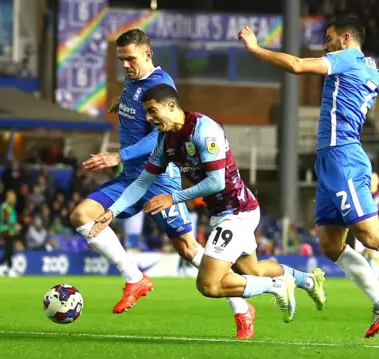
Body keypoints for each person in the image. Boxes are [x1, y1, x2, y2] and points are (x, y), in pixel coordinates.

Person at [69, 28, 300, 339]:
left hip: (159, 178)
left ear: (148, 55)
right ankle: (133, 277)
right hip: (131, 178)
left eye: (130, 58)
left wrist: (117, 155)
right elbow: (136, 103)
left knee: (188, 248)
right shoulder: (133, 80)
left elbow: (157, 137)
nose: (124, 64)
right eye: (121, 59)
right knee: (82, 216)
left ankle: (242, 307)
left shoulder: (160, 86)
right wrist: (120, 102)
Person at [239, 15, 379, 338]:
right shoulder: (372, 72)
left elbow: (298, 66)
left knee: (371, 236)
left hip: (343, 156)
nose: (324, 44)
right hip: (330, 161)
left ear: (345, 40)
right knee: (330, 244)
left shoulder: (346, 60)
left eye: (328, 38)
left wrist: (257, 49)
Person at [90, 83, 328, 325]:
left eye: (152, 111)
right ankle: (308, 281)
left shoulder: (204, 130)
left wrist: (172, 197)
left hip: (236, 212)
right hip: (226, 212)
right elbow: (142, 182)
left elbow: (216, 182)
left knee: (209, 284)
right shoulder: (165, 141)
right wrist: (113, 211)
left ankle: (278, 285)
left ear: (171, 105)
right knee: (252, 271)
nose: (149, 119)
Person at [0, 190, 21, 277]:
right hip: (6, 230)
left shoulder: (10, 207)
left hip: (10, 231)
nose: (14, 199)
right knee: (8, 250)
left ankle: (9, 269)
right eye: (13, 198)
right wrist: (15, 225)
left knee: (9, 250)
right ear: (8, 198)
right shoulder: (5, 207)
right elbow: (6, 220)